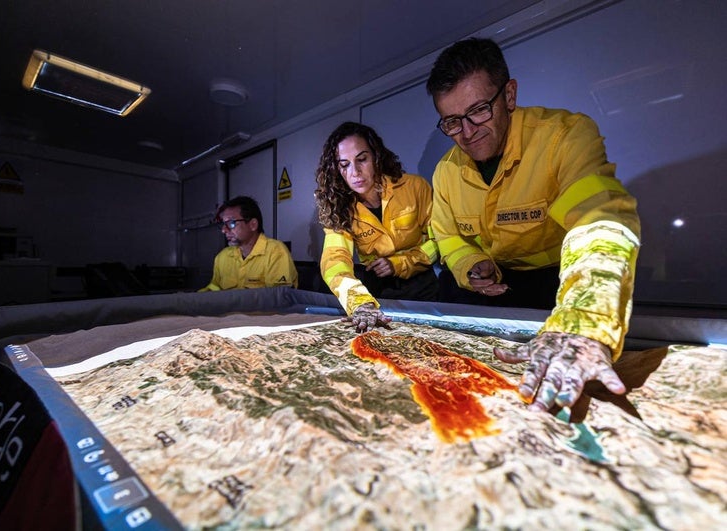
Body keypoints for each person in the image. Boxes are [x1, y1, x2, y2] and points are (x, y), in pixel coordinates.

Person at [426, 38, 641, 414]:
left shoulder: (564, 136)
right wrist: (470, 264)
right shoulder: (445, 171)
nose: (467, 131)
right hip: (487, 287)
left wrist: (583, 320)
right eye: (452, 121)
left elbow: (600, 222)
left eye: (478, 110)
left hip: (554, 282)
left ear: (509, 95)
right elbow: (447, 235)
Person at [315, 121, 439, 332]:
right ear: (337, 170)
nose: (355, 172)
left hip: (423, 287)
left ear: (376, 157)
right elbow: (335, 261)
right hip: (378, 291)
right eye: (344, 165)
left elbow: (439, 241)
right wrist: (359, 302)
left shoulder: (415, 187)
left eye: (362, 159)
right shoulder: (339, 208)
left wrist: (398, 263)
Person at [199, 195, 298, 291]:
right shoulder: (222, 257)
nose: (224, 230)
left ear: (253, 225)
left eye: (231, 223)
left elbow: (279, 298)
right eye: (223, 224)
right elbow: (214, 289)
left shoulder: (275, 252)